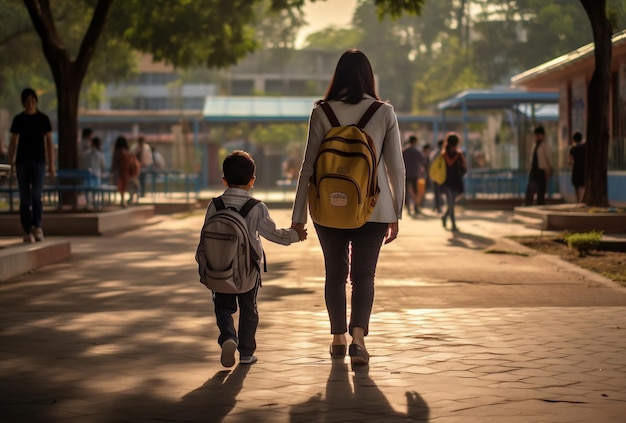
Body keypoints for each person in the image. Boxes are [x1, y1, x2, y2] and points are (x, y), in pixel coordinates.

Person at [290, 49, 405, 366]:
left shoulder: (322, 111)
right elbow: (397, 169)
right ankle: (358, 340)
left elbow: (308, 167)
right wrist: (397, 212)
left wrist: (298, 218)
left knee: (335, 275)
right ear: (369, 76)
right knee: (364, 276)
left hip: (328, 207)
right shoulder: (383, 112)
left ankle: (337, 338)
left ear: (337, 75)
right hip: (375, 206)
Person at [204, 150, 307, 367]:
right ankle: (246, 353)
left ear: (224, 180)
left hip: (219, 268)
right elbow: (273, 234)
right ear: (252, 180)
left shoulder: (214, 205)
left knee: (222, 307)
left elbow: (205, 237)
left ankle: (228, 337)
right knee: (249, 310)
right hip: (247, 271)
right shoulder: (256, 207)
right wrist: (295, 235)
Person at [7, 88, 55, 243]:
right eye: (27, 101)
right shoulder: (18, 119)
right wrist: (9, 164)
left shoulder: (43, 119)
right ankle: (28, 230)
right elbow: (13, 143)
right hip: (22, 162)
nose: (30, 104)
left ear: (36, 102)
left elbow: (49, 142)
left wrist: (51, 165)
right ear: (23, 103)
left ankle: (38, 226)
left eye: (32, 101)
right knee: (24, 199)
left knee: (36, 196)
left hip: (39, 162)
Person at [441, 133, 467, 232]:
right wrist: (457, 156)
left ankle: (444, 216)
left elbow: (464, 165)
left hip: (455, 182)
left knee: (451, 204)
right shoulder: (446, 154)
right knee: (451, 204)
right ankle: (453, 225)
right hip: (448, 182)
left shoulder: (457, 154)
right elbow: (450, 162)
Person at [524, 126, 552, 206]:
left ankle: (540, 205)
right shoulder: (534, 145)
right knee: (530, 188)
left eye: (539, 135)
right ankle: (528, 204)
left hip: (541, 170)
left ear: (542, 135)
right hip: (534, 170)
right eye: (536, 135)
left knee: (541, 190)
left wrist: (548, 169)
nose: (537, 136)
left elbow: (548, 157)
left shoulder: (545, 145)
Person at [110, 136, 139, 208]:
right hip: (127, 172)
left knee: (121, 187)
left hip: (119, 172)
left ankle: (123, 200)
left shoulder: (117, 152)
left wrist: (112, 171)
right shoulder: (127, 152)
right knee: (127, 186)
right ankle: (126, 200)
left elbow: (114, 162)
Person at [402, 135, 424, 216]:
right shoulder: (417, 151)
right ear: (415, 142)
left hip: (406, 173)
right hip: (415, 173)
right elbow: (421, 161)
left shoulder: (405, 150)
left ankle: (408, 208)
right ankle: (415, 207)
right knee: (415, 191)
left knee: (406, 191)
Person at [569, 131, 586, 203]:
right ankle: (582, 199)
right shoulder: (584, 147)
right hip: (583, 169)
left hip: (576, 169)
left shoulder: (572, 148)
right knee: (583, 185)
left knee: (576, 186)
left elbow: (570, 160)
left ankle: (578, 200)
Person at [430, 139, 444, 214]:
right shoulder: (440, 153)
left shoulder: (434, 153)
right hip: (439, 176)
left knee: (436, 192)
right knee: (438, 192)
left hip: (434, 176)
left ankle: (436, 206)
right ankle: (438, 207)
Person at [421, 144, 432, 210]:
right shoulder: (424, 156)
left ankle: (421, 203)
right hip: (423, 176)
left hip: (425, 175)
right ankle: (420, 203)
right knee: (422, 190)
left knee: (424, 190)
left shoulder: (426, 156)